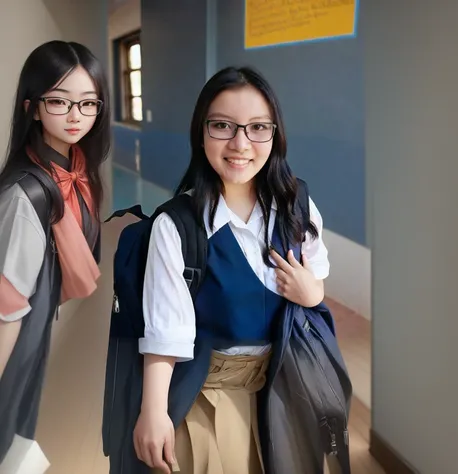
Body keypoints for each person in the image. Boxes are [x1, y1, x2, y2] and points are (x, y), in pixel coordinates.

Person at [133, 66, 333, 474]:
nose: (241, 143)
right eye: (223, 126)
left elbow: (318, 284)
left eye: (258, 127)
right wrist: (153, 412)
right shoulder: (177, 225)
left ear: (274, 135)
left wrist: (309, 293)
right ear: (201, 132)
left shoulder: (297, 206)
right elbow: (164, 332)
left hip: (286, 384)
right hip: (209, 393)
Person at [0, 40, 110, 463]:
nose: (75, 116)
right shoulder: (26, 193)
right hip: (15, 344)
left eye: (87, 103)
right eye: (60, 102)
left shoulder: (77, 166)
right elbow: (7, 308)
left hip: (35, 333)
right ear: (33, 105)